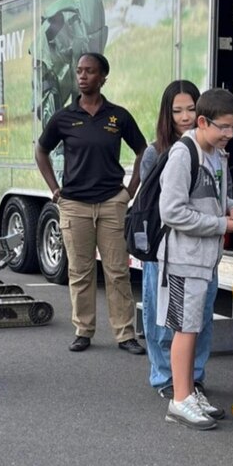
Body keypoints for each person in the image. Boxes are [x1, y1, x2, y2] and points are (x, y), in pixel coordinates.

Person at [35, 53, 147, 354]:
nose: (82, 76)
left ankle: (125, 334)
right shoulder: (63, 117)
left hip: (112, 202)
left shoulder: (118, 116)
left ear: (103, 77)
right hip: (74, 205)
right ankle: (83, 330)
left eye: (90, 71)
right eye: (79, 71)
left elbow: (143, 151)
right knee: (81, 271)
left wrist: (130, 190)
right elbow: (41, 151)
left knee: (117, 272)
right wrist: (55, 189)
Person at [158, 88, 233, 430]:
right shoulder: (183, 154)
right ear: (203, 121)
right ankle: (179, 400)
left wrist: (231, 206)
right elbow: (172, 212)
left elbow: (216, 195)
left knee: (195, 326)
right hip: (183, 259)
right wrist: (220, 224)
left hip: (204, 259)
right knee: (185, 329)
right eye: (223, 127)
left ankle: (187, 392)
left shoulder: (217, 154)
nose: (229, 135)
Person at [140, 80, 218, 399]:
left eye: (191, 109)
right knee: (162, 319)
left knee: (200, 317)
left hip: (202, 249)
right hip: (164, 249)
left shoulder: (213, 150)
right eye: (177, 110)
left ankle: (193, 377)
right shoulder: (155, 151)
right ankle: (164, 377)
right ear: (167, 114)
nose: (185, 116)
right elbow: (151, 204)